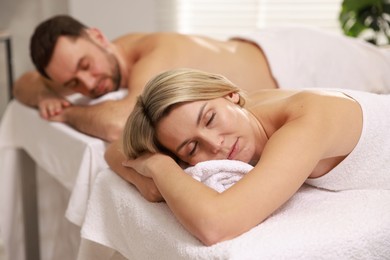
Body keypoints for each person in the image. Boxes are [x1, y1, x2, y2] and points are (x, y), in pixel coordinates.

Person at [118, 68, 390, 246]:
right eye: (192, 148)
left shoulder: (306, 120)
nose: (215, 145)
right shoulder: (247, 112)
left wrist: (159, 166)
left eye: (210, 119)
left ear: (231, 95)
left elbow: (216, 225)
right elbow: (115, 149)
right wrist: (144, 180)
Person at [13, 15, 390, 142]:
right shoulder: (110, 57)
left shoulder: (153, 55)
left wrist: (66, 112)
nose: (88, 84)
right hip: (262, 49)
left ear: (97, 36)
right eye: (72, 85)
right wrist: (47, 91)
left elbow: (117, 123)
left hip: (299, 60)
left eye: (85, 66)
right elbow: (23, 83)